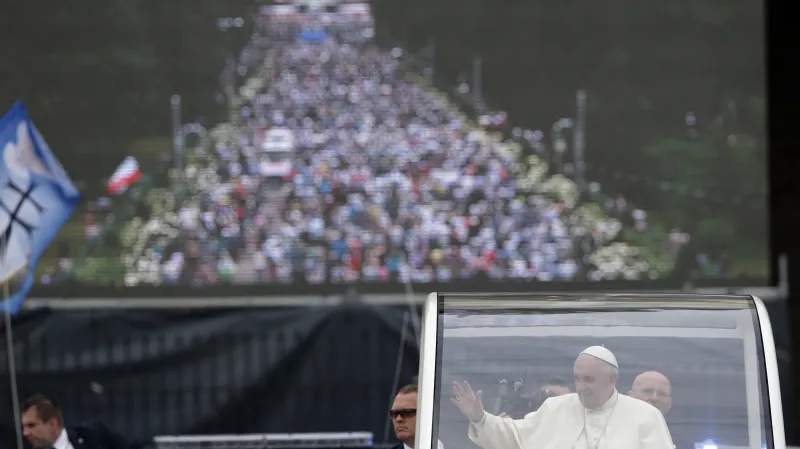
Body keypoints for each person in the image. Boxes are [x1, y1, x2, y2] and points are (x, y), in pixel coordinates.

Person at [451, 346, 675, 449]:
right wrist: (480, 417)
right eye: (577, 378)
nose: (580, 387)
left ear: (612, 380)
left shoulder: (646, 416)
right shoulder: (555, 408)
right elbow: (514, 436)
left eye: (588, 379)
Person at [20, 394, 150, 449]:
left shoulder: (92, 435)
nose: (25, 433)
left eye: (31, 425)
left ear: (53, 423)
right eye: (24, 426)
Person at [389, 384, 444, 449]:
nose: (398, 419)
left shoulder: (456, 444)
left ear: (427, 415)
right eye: (394, 413)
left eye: (407, 412)